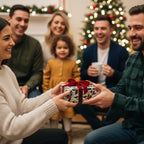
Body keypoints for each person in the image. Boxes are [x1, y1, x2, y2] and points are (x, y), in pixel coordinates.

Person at [0, 17, 77, 144]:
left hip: (15, 139)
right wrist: (54, 105)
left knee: (60, 135)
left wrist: (51, 94)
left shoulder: (6, 71)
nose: (12, 43)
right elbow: (12, 128)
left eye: (11, 38)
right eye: (6, 38)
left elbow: (23, 105)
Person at [83, 4, 144, 144]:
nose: (131, 33)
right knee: (91, 139)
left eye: (138, 28)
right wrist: (98, 92)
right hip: (132, 125)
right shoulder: (133, 59)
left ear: (110, 30)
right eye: (130, 28)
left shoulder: (120, 51)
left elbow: (119, 95)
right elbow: (122, 87)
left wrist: (114, 99)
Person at [75, 15, 129, 129]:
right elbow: (82, 75)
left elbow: (126, 78)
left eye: (103, 28)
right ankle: (100, 128)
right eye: (96, 28)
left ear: (111, 30)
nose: (99, 32)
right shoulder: (88, 51)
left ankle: (102, 128)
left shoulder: (121, 51)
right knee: (77, 97)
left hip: (112, 91)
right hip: (93, 90)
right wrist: (87, 72)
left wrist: (113, 73)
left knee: (122, 100)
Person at [42, 35, 81, 144]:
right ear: (54, 49)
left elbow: (77, 75)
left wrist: (74, 84)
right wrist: (46, 90)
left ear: (70, 49)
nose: (62, 50)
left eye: (65, 48)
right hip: (53, 94)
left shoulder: (72, 63)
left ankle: (68, 133)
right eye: (59, 48)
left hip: (68, 94)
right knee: (53, 114)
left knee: (67, 114)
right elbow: (46, 77)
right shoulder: (51, 62)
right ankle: (53, 133)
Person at [7, 4, 43, 98]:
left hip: (27, 87)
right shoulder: (1, 42)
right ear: (9, 19)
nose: (22, 24)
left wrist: (27, 86)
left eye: (26, 21)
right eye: (18, 19)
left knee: (38, 103)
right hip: (4, 87)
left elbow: (38, 72)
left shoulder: (35, 44)